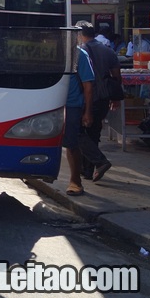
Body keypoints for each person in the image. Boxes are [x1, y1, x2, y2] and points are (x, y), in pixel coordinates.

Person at [62, 35, 112, 196]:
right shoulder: (48, 51)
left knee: (73, 142)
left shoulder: (79, 55)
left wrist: (87, 112)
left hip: (72, 105)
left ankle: (76, 181)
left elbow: (88, 86)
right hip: (50, 103)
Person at [75, 21, 116, 182]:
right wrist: (115, 98)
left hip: (85, 98)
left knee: (77, 133)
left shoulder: (80, 52)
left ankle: (99, 162)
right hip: (103, 99)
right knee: (93, 133)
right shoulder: (108, 51)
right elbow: (116, 76)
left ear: (79, 35)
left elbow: (85, 84)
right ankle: (87, 170)